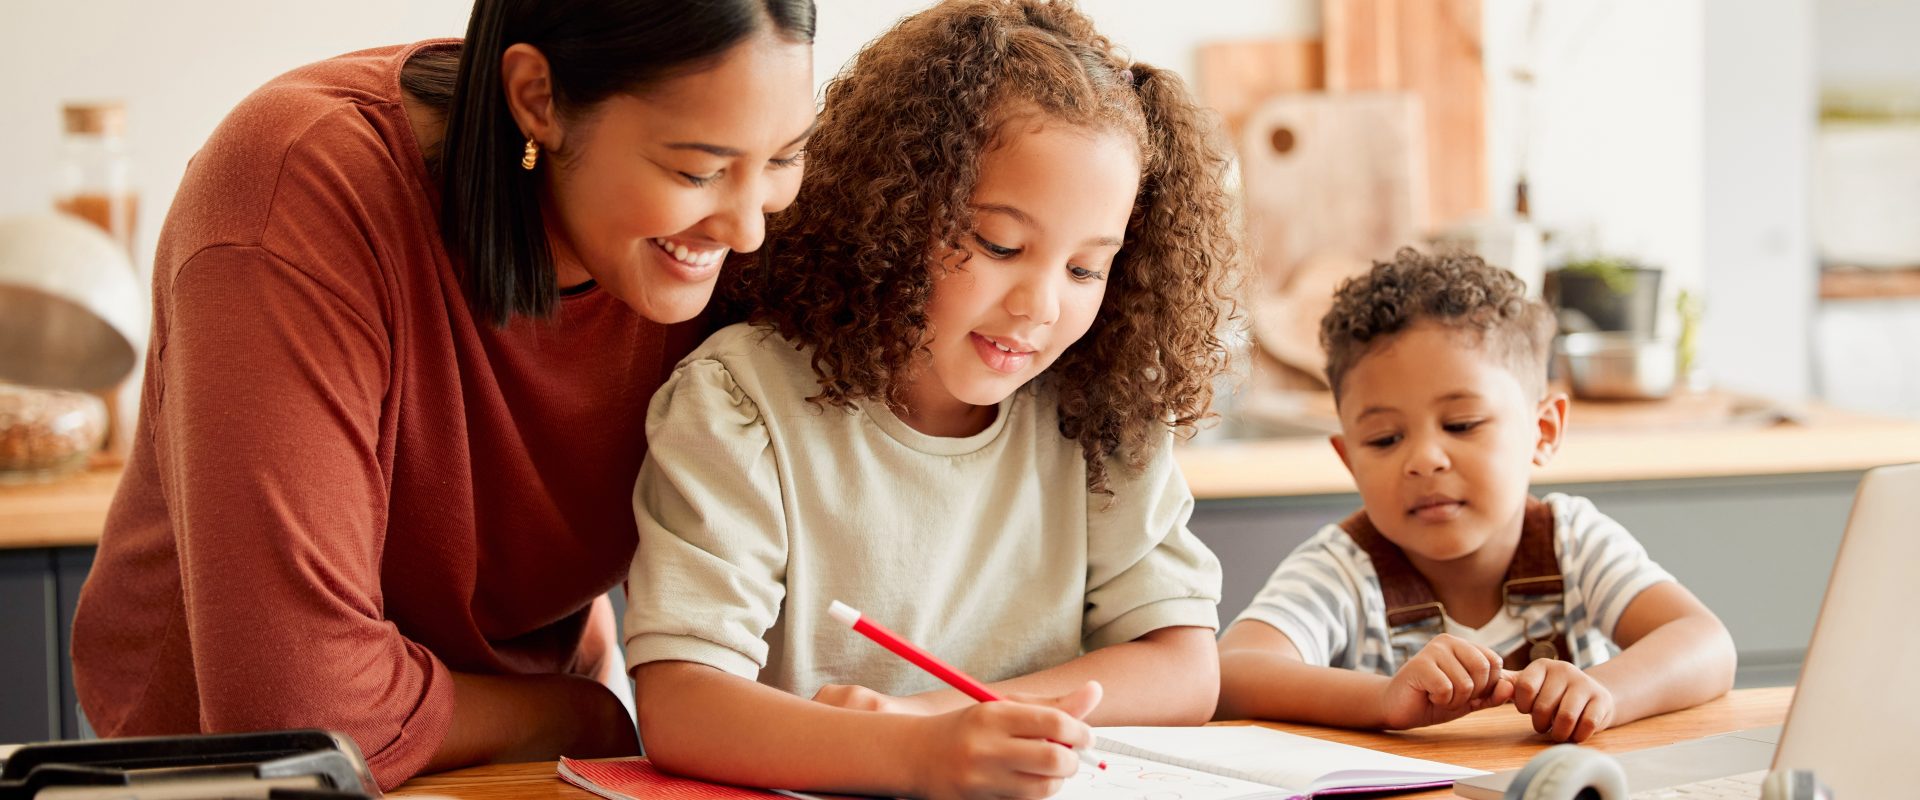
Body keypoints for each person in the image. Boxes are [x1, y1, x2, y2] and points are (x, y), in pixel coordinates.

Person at [69, 0, 817, 789]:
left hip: (524, 745)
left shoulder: (736, 227)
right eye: (696, 171)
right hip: (226, 776)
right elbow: (293, 712)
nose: (747, 231)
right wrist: (585, 715)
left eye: (782, 159)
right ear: (539, 99)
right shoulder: (296, 189)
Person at [621, 1, 1241, 797]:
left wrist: (933, 720)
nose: (1041, 305)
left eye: (1087, 269)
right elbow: (682, 706)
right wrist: (920, 754)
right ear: (897, 211)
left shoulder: (1100, 413)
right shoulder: (742, 403)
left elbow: (1186, 668)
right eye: (999, 245)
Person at [1215, 250, 1737, 743]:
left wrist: (1606, 693)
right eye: (1384, 439)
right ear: (1350, 459)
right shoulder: (1341, 568)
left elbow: (1705, 643)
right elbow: (1233, 674)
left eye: (1461, 424)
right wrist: (1383, 698)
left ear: (1544, 431)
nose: (1425, 459)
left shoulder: (1574, 541)